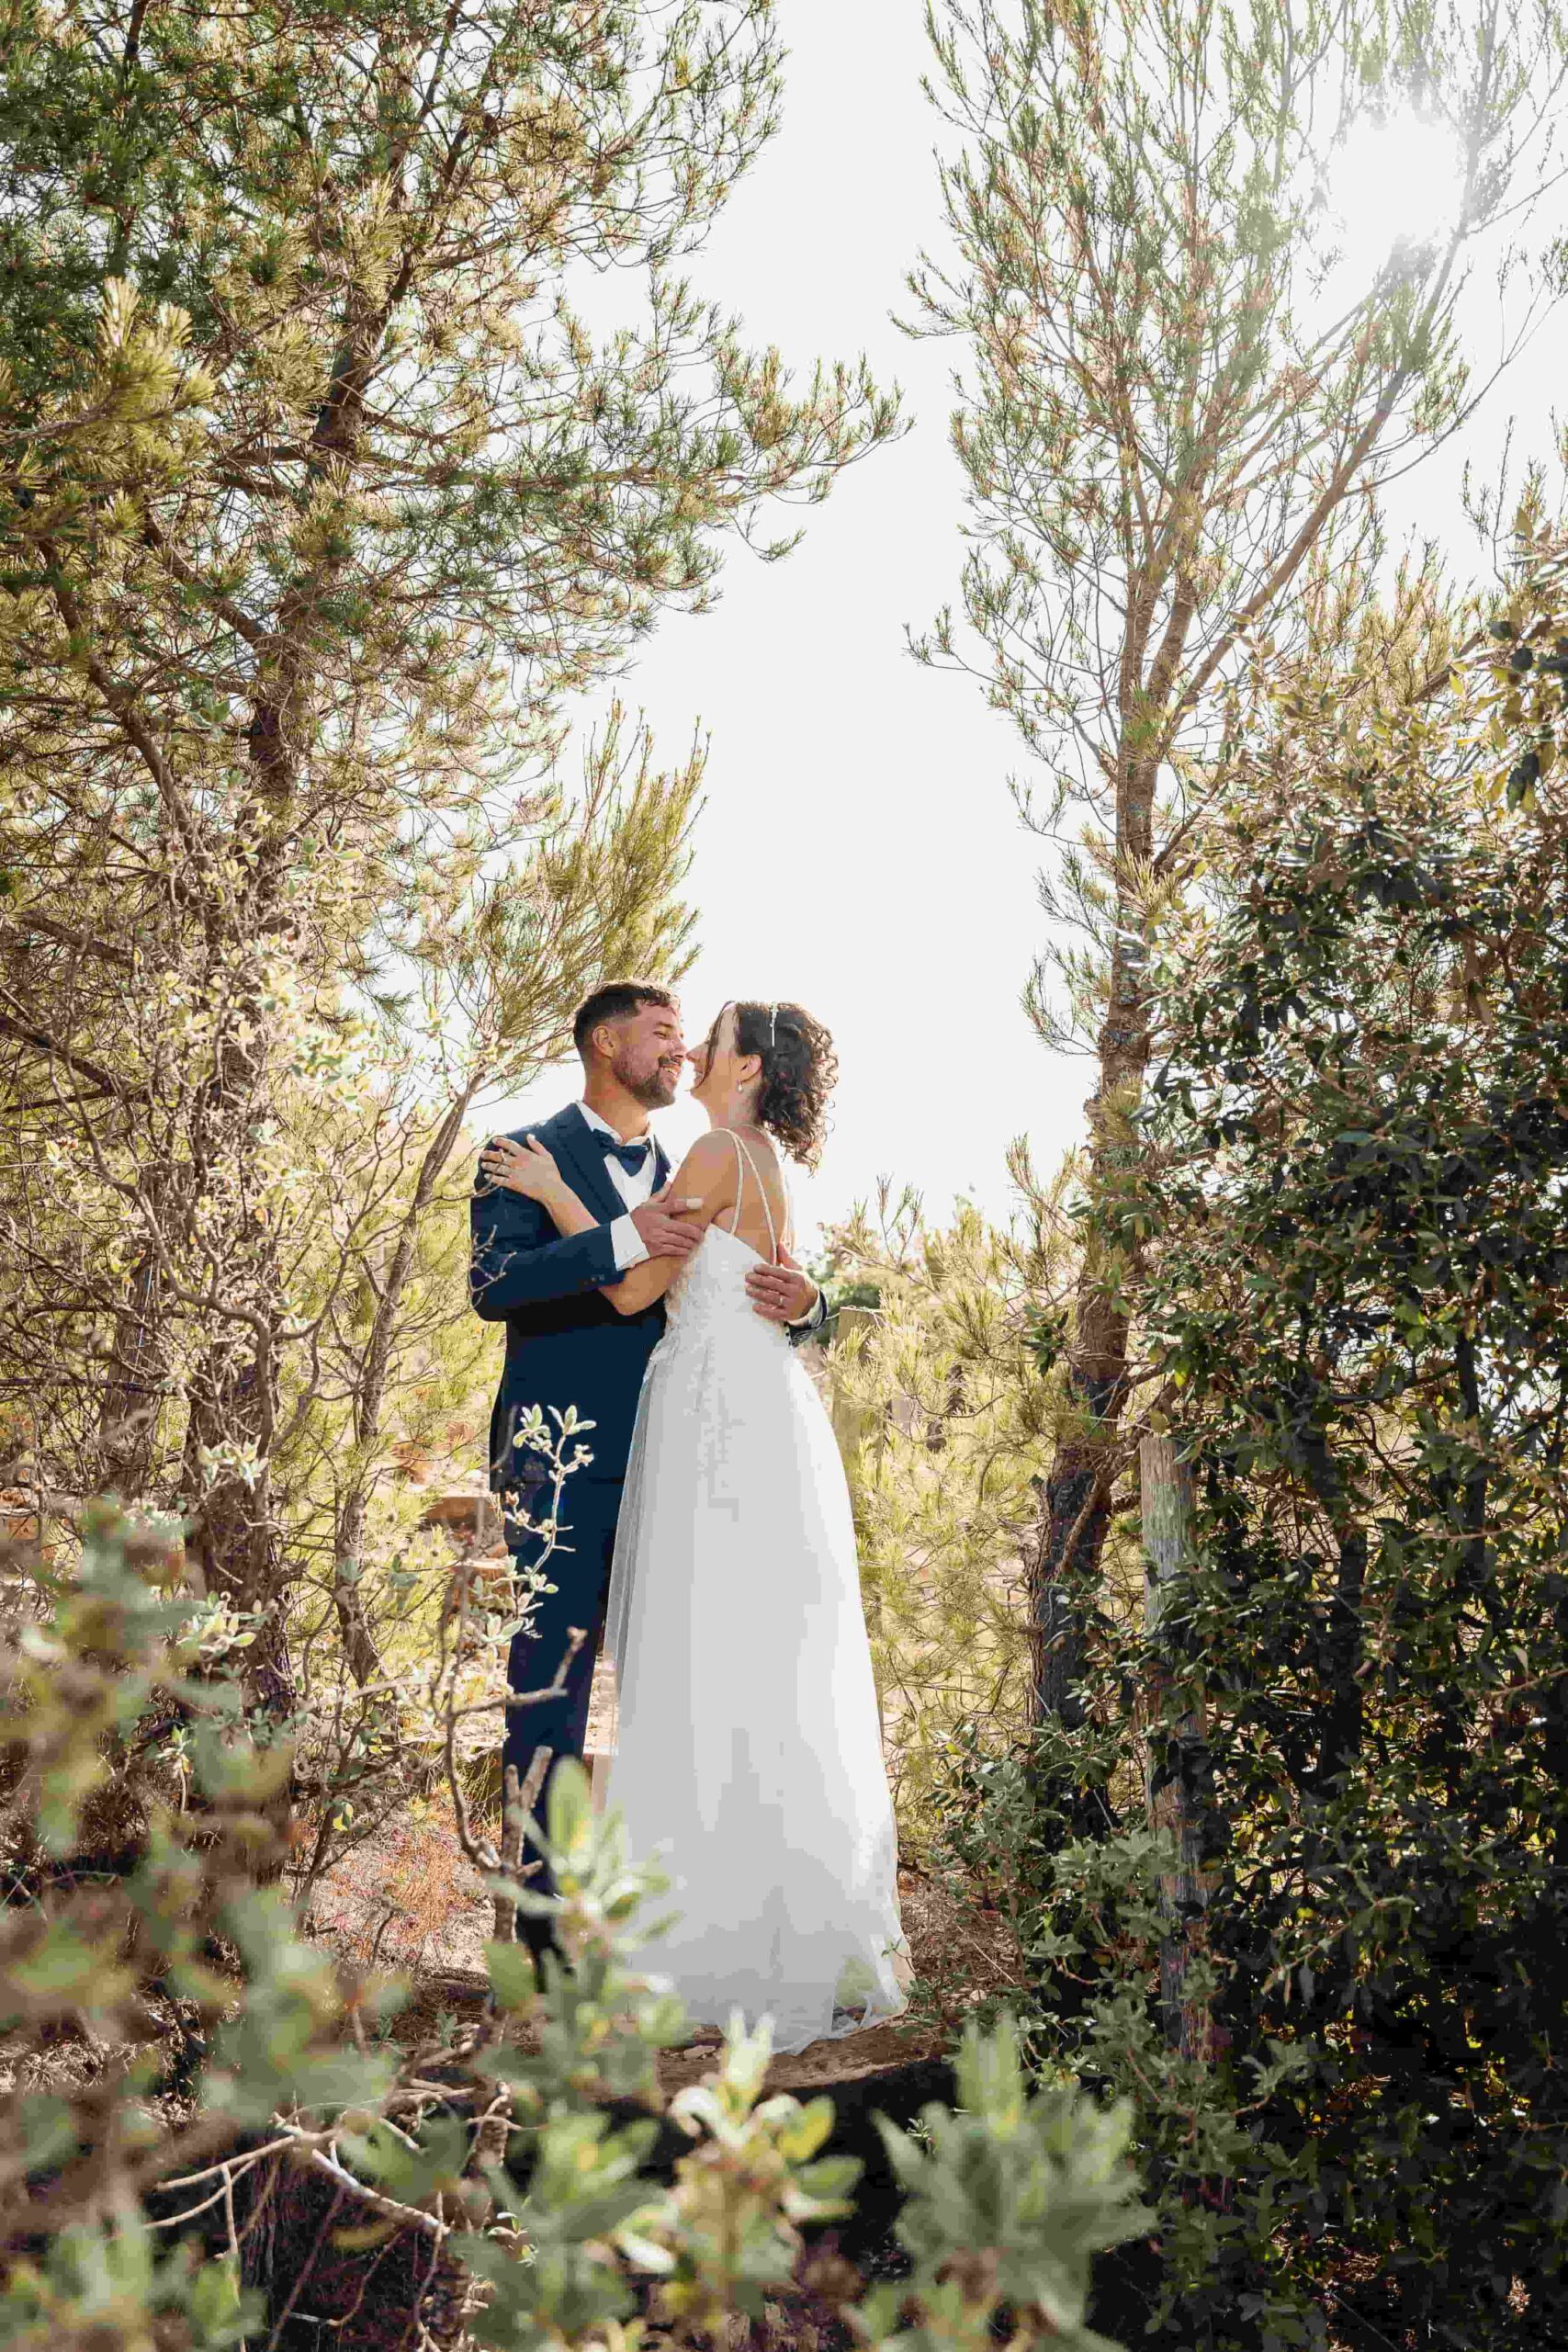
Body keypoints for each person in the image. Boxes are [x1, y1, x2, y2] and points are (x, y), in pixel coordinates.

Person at [479, 997, 911, 2053]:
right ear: (605, 1043)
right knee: (582, 1688)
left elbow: (647, 1291)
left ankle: (704, 1934)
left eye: (702, 1035)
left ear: (746, 1065)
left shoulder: (711, 1149)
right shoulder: (531, 1151)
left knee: (705, 1676)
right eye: (667, 1033)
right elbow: (498, 1286)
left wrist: (806, 1302)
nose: (685, 1049)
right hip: (592, 1453)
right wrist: (553, 1194)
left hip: (700, 1441)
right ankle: (546, 1943)